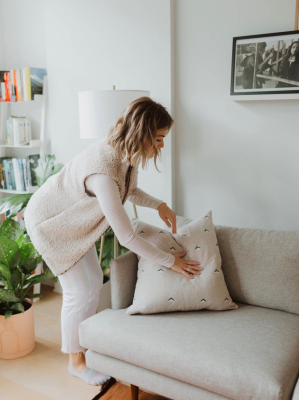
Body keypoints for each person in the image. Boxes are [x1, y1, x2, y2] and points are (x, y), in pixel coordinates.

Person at [24, 97, 203, 388]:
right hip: (51, 224)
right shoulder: (102, 169)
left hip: (71, 223)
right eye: (158, 139)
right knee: (78, 292)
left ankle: (82, 346)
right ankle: (75, 361)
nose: (161, 146)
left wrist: (159, 205)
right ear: (142, 133)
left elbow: (128, 190)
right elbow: (127, 236)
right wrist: (172, 262)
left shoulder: (124, 155)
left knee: (93, 281)